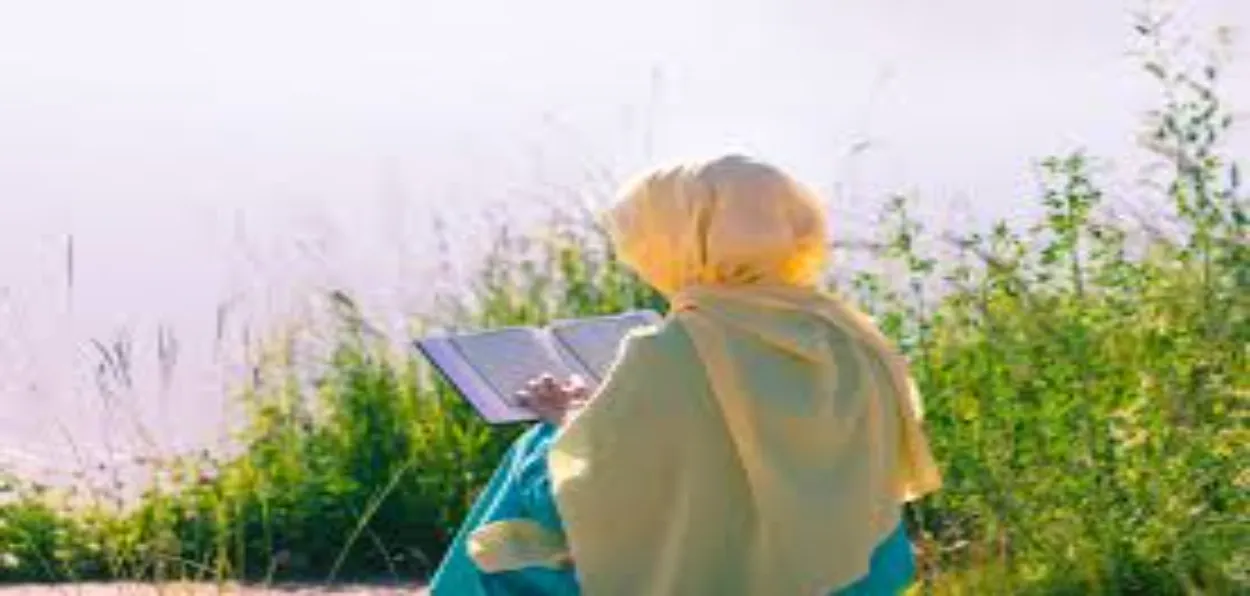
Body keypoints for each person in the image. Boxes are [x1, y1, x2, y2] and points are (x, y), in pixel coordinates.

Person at [430, 154, 943, 595]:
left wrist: (567, 417)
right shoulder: (854, 336)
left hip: (722, 575)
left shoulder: (671, 349)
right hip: (856, 573)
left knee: (533, 458)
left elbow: (599, 492)